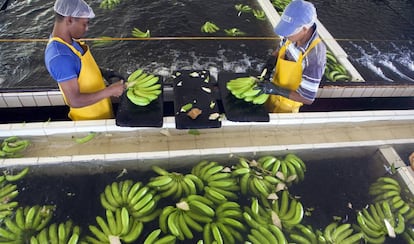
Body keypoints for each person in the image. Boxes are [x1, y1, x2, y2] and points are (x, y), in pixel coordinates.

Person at [44, 0, 125, 120]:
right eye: (84, 24)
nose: (87, 28)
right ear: (70, 20)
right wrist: (110, 91)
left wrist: (104, 73)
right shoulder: (60, 57)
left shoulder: (70, 42)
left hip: (101, 109)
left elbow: (80, 68)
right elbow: (74, 100)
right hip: (90, 119)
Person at [255, 0, 326, 113]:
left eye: (290, 31)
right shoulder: (292, 37)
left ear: (304, 29)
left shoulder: (314, 57)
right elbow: (280, 49)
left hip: (286, 107)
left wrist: (275, 89)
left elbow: (307, 98)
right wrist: (270, 63)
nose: (286, 35)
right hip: (272, 92)